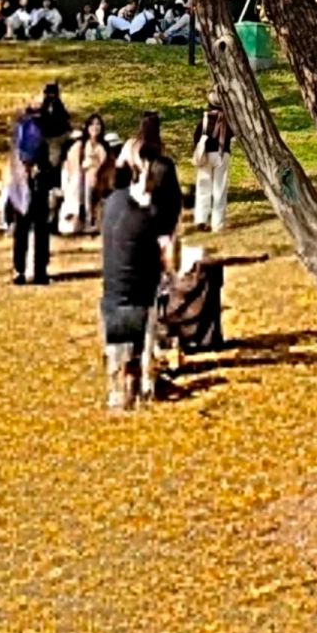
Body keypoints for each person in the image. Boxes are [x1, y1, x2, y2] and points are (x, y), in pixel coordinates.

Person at [98, 160, 163, 410]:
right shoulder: (145, 218)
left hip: (112, 295)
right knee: (139, 348)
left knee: (117, 351)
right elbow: (157, 260)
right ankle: (138, 391)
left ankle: (116, 395)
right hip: (138, 297)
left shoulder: (109, 210)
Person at [123, 112, 184, 271]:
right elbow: (173, 195)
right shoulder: (163, 162)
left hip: (141, 207)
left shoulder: (132, 147)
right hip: (160, 212)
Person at [8, 99, 54, 285]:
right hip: (31, 184)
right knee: (36, 229)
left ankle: (25, 270)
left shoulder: (24, 129)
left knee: (27, 229)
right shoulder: (31, 129)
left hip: (28, 184)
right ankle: (35, 270)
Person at [192, 97, 233, 232]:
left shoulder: (204, 119)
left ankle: (201, 219)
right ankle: (218, 223)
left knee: (203, 187)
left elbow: (196, 137)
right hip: (222, 155)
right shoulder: (227, 120)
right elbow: (232, 135)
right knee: (219, 190)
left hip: (206, 155)